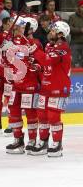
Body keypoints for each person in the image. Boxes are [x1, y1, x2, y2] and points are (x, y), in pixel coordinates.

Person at [30, 21, 71, 157]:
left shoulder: (63, 48)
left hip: (58, 87)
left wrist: (34, 50)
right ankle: (43, 141)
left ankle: (57, 144)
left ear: (60, 34)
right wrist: (37, 67)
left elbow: (48, 60)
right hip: (46, 86)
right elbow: (46, 66)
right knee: (41, 115)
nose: (50, 33)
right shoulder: (48, 46)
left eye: (53, 31)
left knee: (53, 117)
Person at [3, 18, 41, 154]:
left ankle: (32, 141)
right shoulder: (10, 42)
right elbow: (5, 61)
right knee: (13, 110)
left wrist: (33, 66)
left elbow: (40, 62)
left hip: (29, 84)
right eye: (15, 27)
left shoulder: (32, 43)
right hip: (15, 84)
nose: (16, 29)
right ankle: (18, 140)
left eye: (19, 27)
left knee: (30, 112)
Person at [69, 0, 83, 67]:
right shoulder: (73, 17)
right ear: (79, 7)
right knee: (74, 62)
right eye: (82, 7)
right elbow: (69, 29)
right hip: (75, 43)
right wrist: (80, 30)